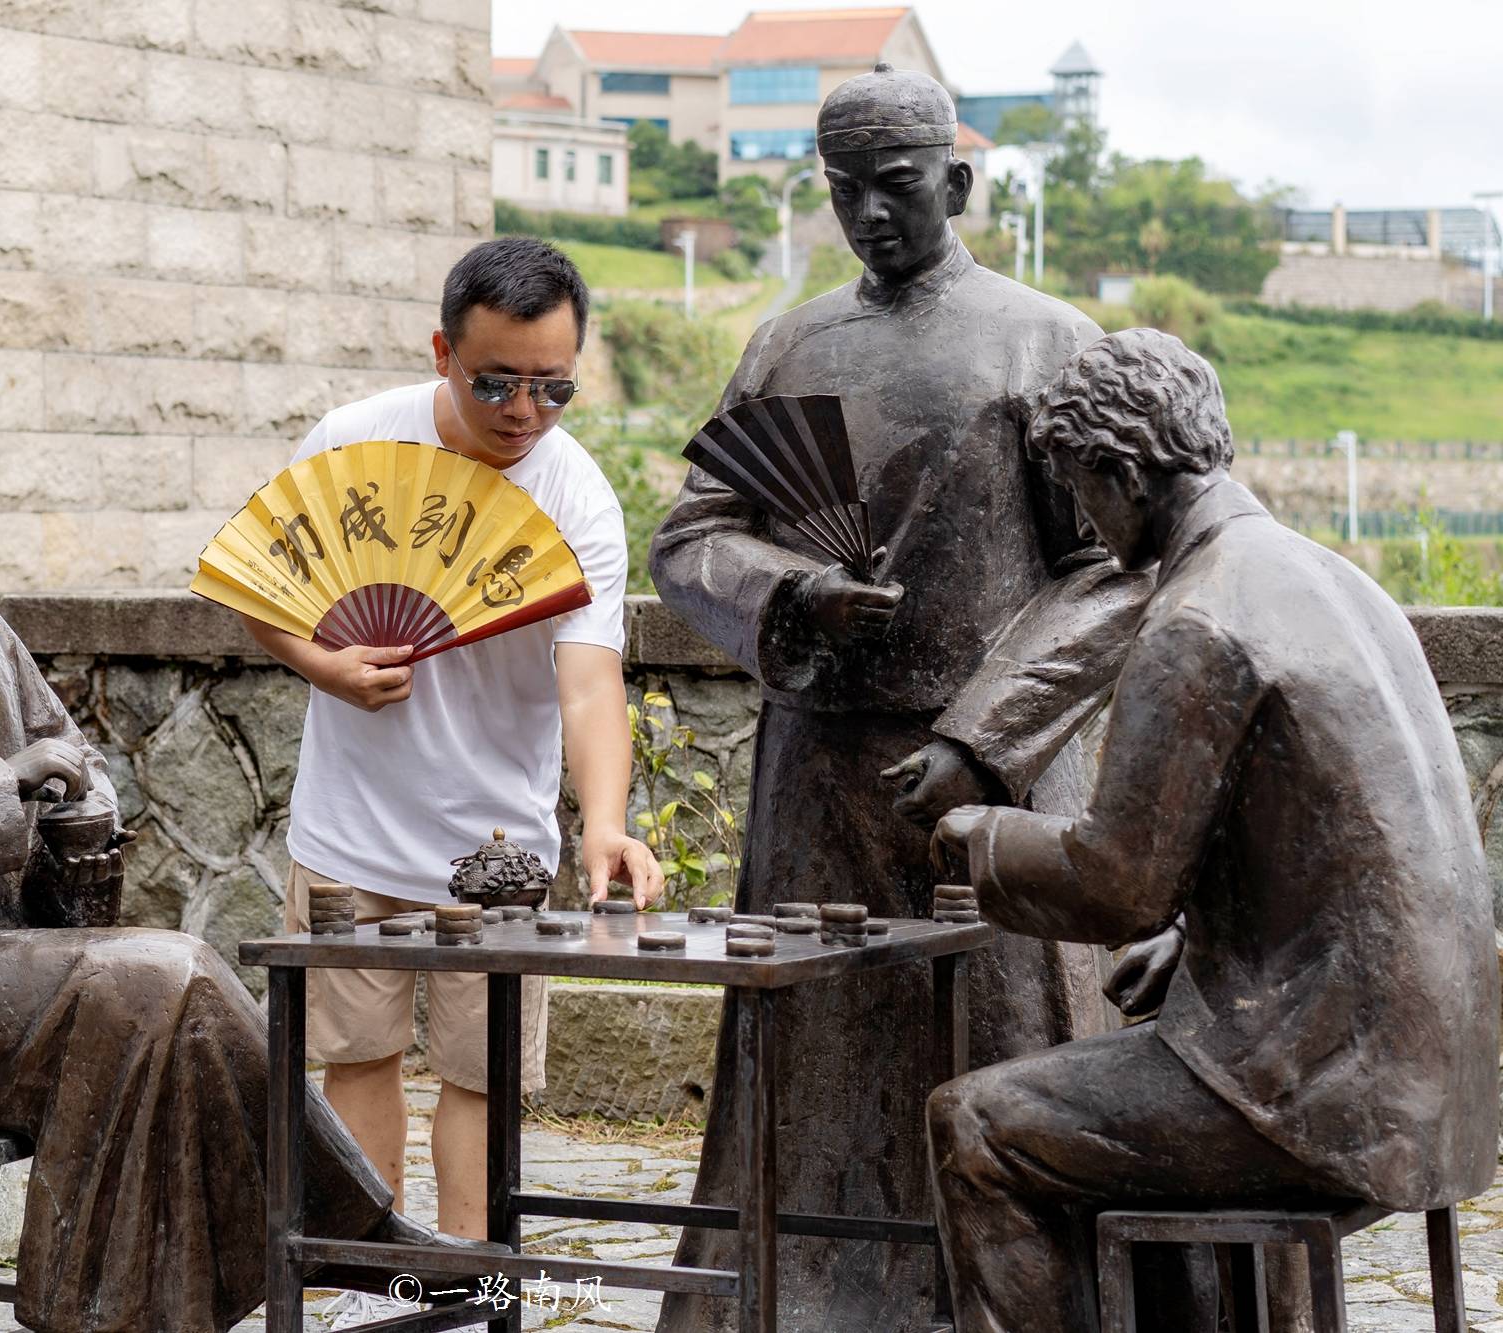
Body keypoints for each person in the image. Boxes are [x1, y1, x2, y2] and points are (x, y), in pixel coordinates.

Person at [0, 336, 487, 1333]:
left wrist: (81, 821)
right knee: (154, 979)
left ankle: (195, 1283)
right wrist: (5, 784)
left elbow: (66, 759)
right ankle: (318, 1245)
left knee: (165, 988)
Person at [648, 64, 1155, 1331]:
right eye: (843, 191)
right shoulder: (786, 340)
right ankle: (793, 1293)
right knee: (813, 1041)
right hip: (814, 770)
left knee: (1005, 1034)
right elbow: (693, 533)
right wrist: (788, 593)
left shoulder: (1044, 341)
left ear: (958, 183)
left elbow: (1108, 576)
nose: (868, 214)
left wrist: (984, 740)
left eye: (896, 186)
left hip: (994, 767)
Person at [928, 329, 1500, 1333]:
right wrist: (1196, 940)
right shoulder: (1336, 582)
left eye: (1080, 489)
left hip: (1330, 1104)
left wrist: (980, 838)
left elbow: (1114, 885)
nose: (1086, 521)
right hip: (1445, 1082)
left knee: (974, 1122)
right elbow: (1334, 848)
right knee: (1137, 1061)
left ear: (1122, 468)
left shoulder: (1196, 617)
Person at [236, 236, 663, 1302]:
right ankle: (360, 1289)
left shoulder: (577, 497)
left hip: (500, 853)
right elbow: (260, 583)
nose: (524, 410)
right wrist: (324, 665)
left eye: (553, 387)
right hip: (348, 834)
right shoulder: (351, 440)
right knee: (356, 1062)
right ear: (441, 351)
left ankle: (473, 1291)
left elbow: (587, 683)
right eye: (496, 383)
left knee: (483, 1076)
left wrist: (604, 819)